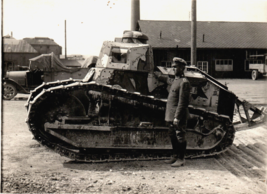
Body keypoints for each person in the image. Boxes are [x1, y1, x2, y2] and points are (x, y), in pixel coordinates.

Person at [164, 57, 191, 167]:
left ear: (182, 68)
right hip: (171, 115)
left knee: (180, 136)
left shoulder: (184, 83)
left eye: (176, 67)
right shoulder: (176, 81)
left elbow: (183, 102)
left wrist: (177, 117)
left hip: (178, 115)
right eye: (173, 67)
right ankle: (175, 156)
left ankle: (181, 159)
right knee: (172, 135)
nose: (173, 68)